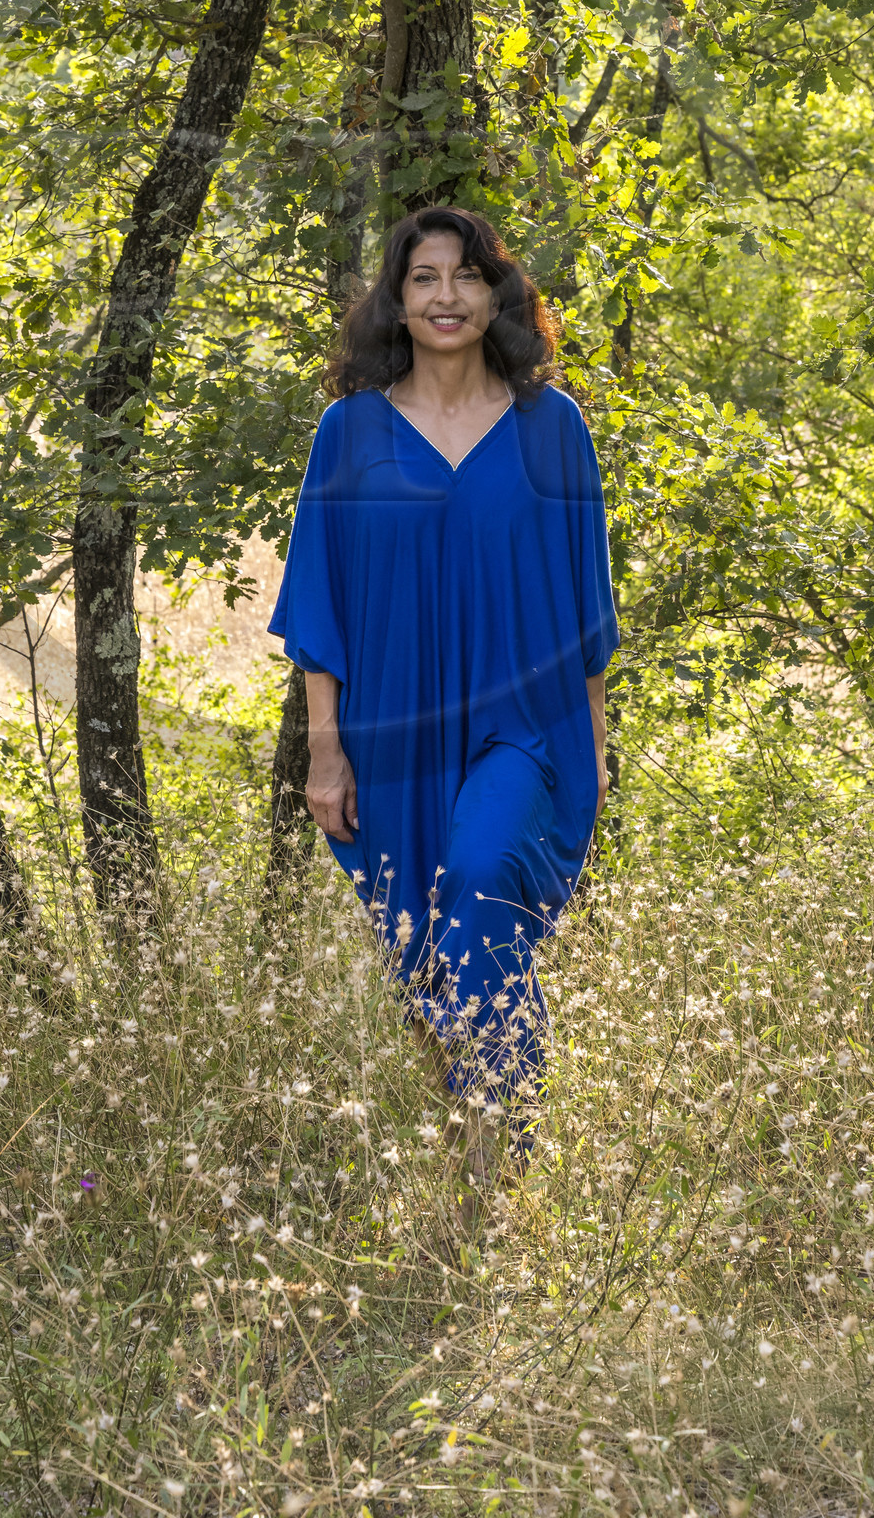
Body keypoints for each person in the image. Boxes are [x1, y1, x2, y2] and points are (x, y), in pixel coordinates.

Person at [269, 206, 618, 1182]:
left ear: (495, 294)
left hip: (527, 728)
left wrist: (591, 751)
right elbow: (318, 604)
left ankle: (502, 1154)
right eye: (423, 277)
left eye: (465, 275)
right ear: (397, 300)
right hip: (394, 732)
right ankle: (484, 1171)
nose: (445, 296)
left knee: (475, 882)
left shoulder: (552, 429)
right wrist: (325, 749)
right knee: (423, 954)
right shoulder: (350, 434)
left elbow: (586, 606)